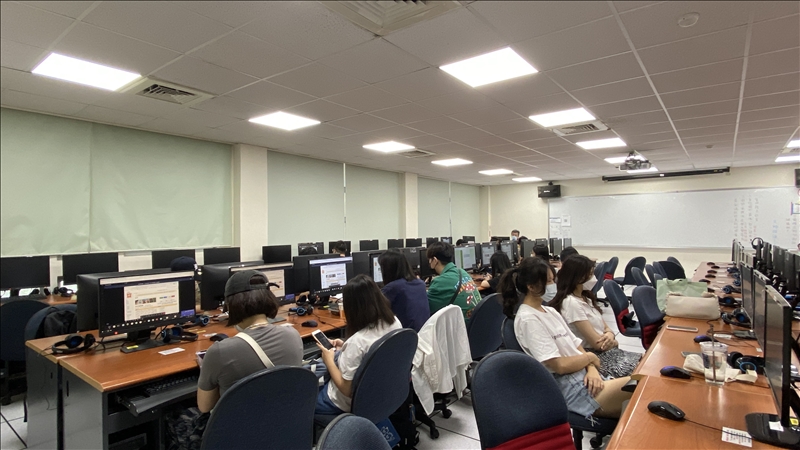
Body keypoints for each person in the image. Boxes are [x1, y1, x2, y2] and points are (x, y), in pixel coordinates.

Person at [498, 257, 631, 419]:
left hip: (587, 377)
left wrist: (591, 368)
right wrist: (590, 357)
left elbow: (576, 346)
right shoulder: (528, 319)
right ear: (531, 287)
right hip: (571, 387)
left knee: (642, 400)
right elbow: (559, 365)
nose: (553, 285)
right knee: (642, 386)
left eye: (553, 280)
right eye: (548, 281)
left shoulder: (550, 311)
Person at [196, 270, 303, 413]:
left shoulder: (220, 351)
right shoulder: (293, 335)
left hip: (237, 425)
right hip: (285, 419)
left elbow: (204, 407)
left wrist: (208, 370)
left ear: (231, 306)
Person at [315, 275, 401, 414]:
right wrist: (345, 346)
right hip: (381, 391)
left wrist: (328, 360)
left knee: (302, 397)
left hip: (343, 402)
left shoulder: (357, 342)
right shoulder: (394, 322)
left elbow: (346, 390)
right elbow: (371, 350)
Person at [548, 256, 641, 379]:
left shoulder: (585, 297)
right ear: (579, 278)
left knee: (646, 360)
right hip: (594, 356)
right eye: (591, 274)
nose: (594, 278)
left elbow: (607, 328)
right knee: (643, 369)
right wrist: (613, 341)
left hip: (607, 351)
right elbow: (597, 344)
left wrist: (610, 335)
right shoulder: (571, 303)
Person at [426, 241, 481, 320]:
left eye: (429, 260)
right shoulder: (462, 272)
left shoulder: (440, 282)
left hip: (462, 326)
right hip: (476, 322)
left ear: (435, 260)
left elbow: (426, 308)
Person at [378, 249, 430, 332]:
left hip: (404, 335)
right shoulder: (420, 283)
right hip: (423, 334)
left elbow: (373, 312)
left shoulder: (392, 288)